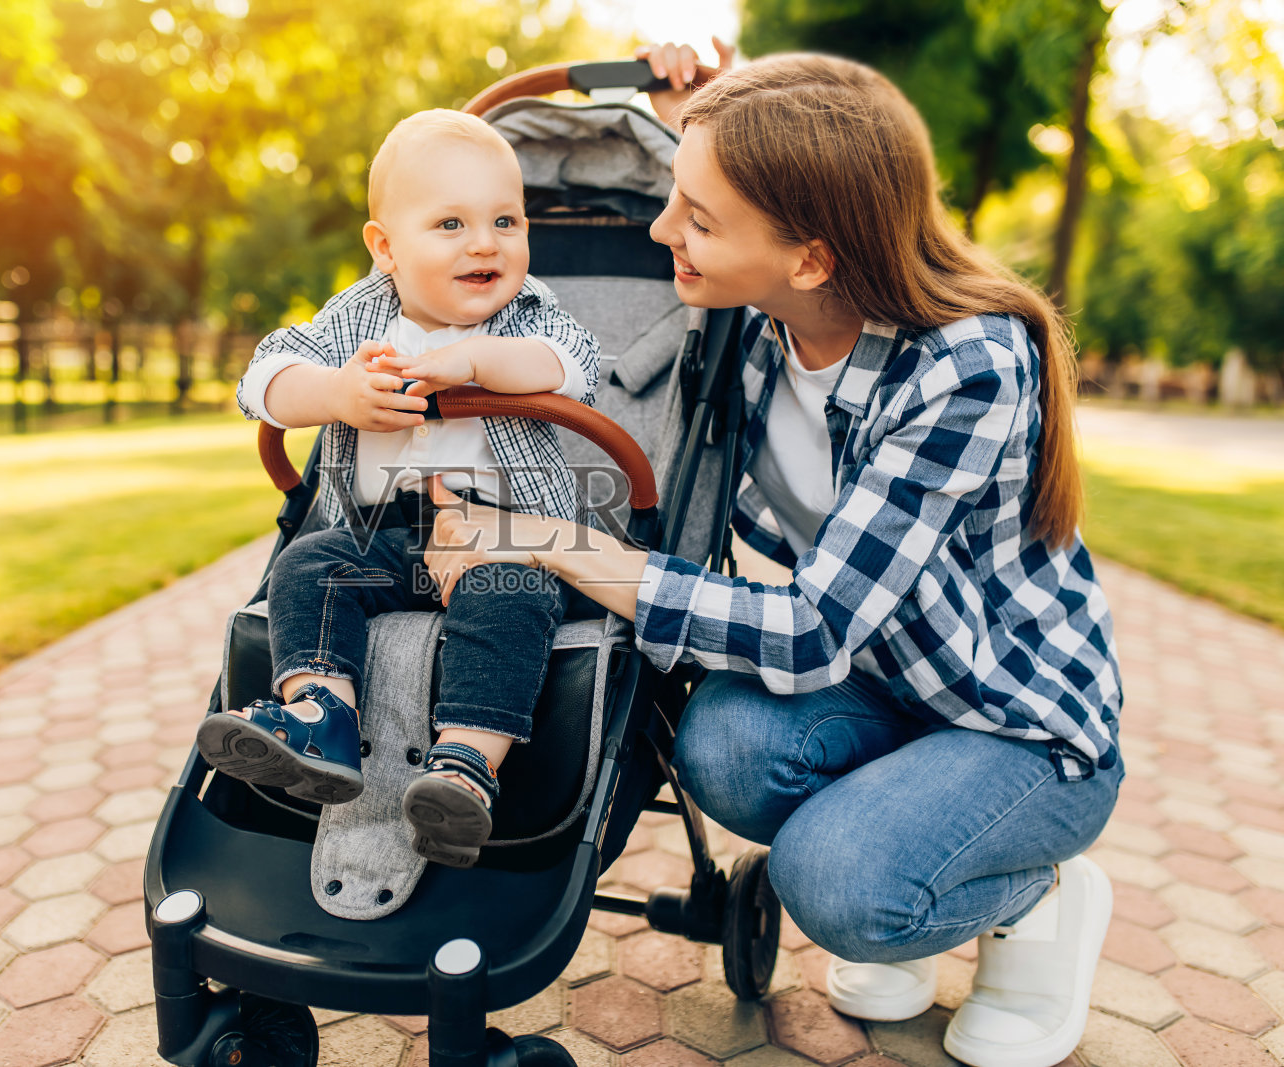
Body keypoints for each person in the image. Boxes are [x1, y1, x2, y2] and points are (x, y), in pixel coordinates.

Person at [420, 40, 1122, 1067]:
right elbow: (790, 166)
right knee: (719, 748)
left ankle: (1035, 895)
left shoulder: (967, 364)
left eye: (695, 219)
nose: (663, 232)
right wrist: (711, 108)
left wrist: (548, 541)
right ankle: (912, 848)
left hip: (1012, 717)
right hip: (883, 684)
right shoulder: (752, 320)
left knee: (837, 884)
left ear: (810, 258)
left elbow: (807, 630)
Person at [200, 109, 601, 870]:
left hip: (500, 533)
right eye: (450, 223)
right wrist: (334, 393)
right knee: (308, 565)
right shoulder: (358, 317)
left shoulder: (529, 314)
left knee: (512, 599)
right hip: (379, 536)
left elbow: (574, 364)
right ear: (384, 247)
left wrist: (477, 360)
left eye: (505, 221)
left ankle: (465, 765)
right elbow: (263, 377)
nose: (485, 242)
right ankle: (322, 716)